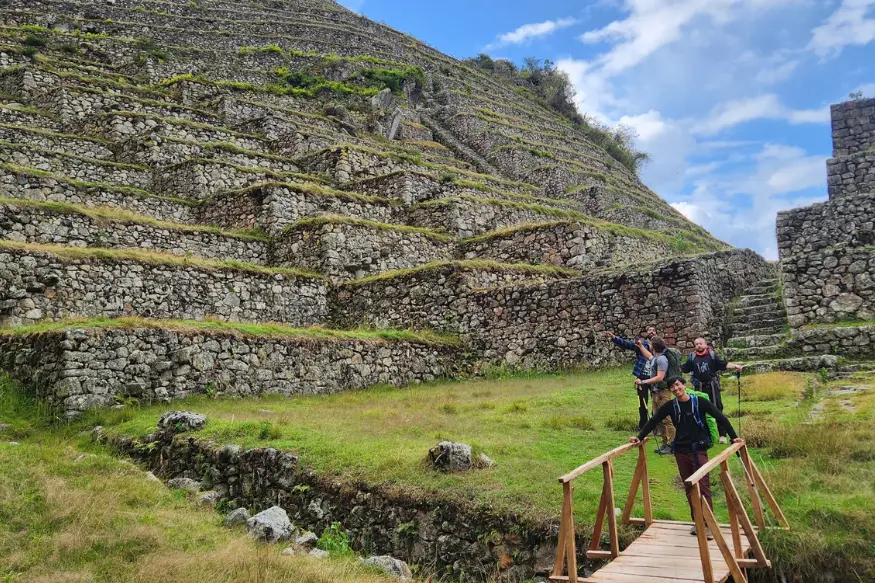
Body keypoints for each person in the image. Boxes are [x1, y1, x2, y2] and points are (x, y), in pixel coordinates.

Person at [629, 376, 743, 537]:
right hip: (681, 451)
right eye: (672, 387)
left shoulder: (700, 402)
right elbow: (654, 421)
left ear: (683, 385)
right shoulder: (670, 406)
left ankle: (709, 525)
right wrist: (639, 438)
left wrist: (733, 436)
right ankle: (697, 522)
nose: (676, 389)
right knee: (689, 488)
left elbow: (720, 417)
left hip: (698, 451)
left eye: (677, 385)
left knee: (703, 487)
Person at [681, 337, 744, 444]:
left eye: (700, 343)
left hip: (712, 386)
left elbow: (724, 364)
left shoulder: (712, 355)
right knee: (700, 410)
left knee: (717, 408)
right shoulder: (692, 357)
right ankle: (705, 434)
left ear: (705, 344)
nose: (698, 346)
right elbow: (684, 368)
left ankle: (722, 435)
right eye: (696, 344)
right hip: (699, 387)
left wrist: (736, 366)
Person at [603, 327, 657, 430]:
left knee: (657, 403)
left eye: (653, 330)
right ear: (646, 333)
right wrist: (614, 337)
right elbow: (627, 344)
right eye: (649, 330)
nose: (651, 331)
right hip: (642, 377)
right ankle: (643, 426)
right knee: (642, 403)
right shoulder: (642, 345)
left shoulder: (660, 347)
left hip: (655, 378)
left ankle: (655, 426)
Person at [635, 336, 682, 455]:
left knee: (667, 419)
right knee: (657, 418)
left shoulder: (662, 360)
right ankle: (665, 442)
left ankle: (672, 444)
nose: (649, 346)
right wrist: (640, 347)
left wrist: (643, 382)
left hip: (663, 392)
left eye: (650, 344)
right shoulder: (656, 358)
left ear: (654, 346)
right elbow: (649, 356)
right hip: (656, 392)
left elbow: (660, 377)